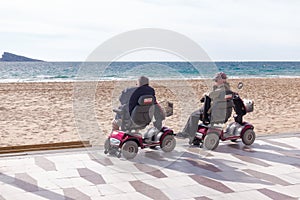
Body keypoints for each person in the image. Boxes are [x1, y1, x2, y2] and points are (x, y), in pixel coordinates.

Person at [177, 72, 233, 143]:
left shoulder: (222, 89)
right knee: (195, 114)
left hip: (215, 113)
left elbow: (211, 95)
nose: (215, 82)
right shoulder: (227, 89)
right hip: (218, 111)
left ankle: (189, 134)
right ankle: (187, 133)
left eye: (216, 80)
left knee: (194, 115)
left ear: (222, 80)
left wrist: (205, 95)